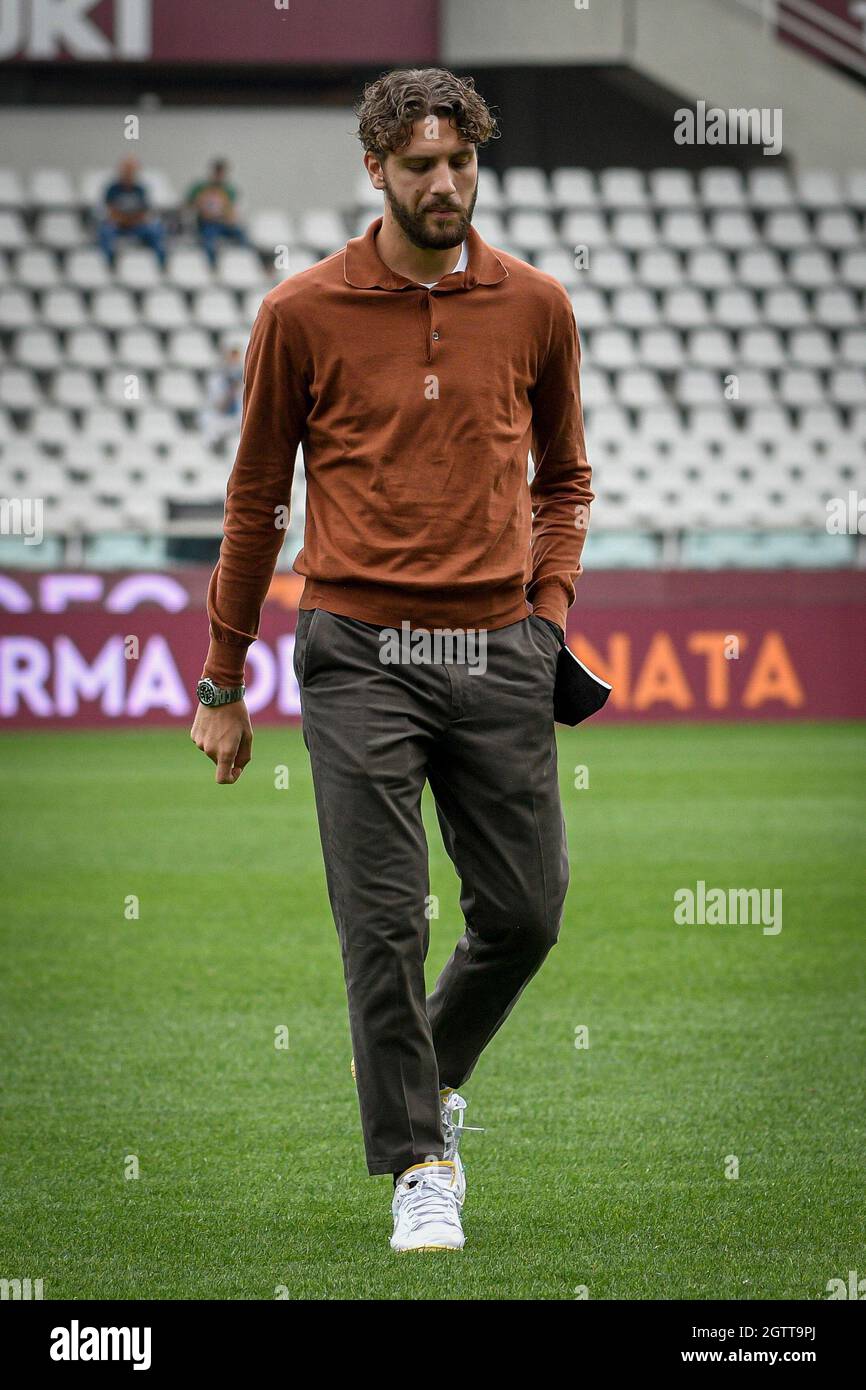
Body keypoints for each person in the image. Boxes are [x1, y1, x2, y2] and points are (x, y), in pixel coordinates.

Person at [190, 67, 593, 1253]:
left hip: (498, 647)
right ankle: (419, 1160)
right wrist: (223, 677)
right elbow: (257, 500)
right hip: (357, 650)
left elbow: (565, 482)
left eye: (459, 162)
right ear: (375, 169)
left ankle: (430, 1076)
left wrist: (549, 615)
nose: (443, 183)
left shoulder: (535, 307)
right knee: (381, 923)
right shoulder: (300, 313)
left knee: (525, 914)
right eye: (419, 165)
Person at [97, 157, 166, 268]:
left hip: (136, 225)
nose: (129, 174)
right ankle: (108, 265)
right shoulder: (112, 189)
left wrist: (132, 220)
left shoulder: (140, 190)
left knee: (155, 230)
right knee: (106, 231)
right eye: (126, 170)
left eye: (132, 171)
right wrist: (125, 219)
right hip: (118, 225)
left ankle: (160, 265)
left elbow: (144, 212)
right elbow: (110, 212)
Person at [184, 159, 248, 266]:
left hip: (223, 223)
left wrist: (229, 217)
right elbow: (189, 205)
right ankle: (212, 267)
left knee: (243, 237)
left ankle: (244, 265)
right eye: (217, 172)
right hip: (207, 224)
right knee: (209, 243)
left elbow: (231, 210)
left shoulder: (229, 190)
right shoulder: (200, 188)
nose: (219, 175)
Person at [200, 345, 243, 447]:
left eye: (236, 358)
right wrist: (231, 391)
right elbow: (220, 407)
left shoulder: (244, 377)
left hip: (237, 419)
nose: (234, 361)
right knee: (209, 425)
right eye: (231, 357)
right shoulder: (216, 380)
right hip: (219, 418)